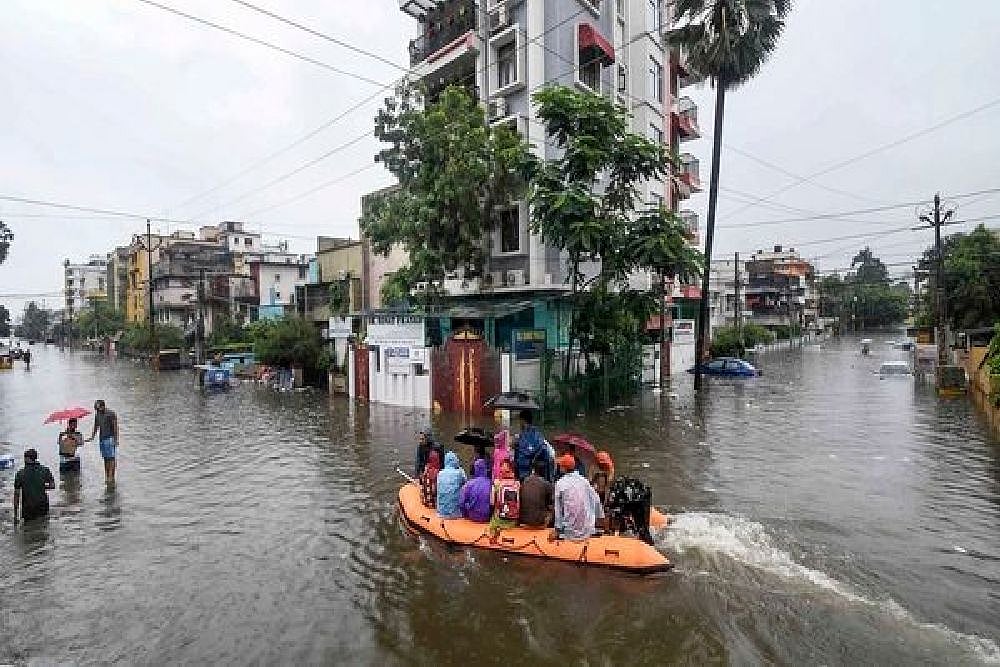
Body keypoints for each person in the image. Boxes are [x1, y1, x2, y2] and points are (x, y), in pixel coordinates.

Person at [550, 453, 604, 542]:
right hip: (587, 530)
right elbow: (597, 500)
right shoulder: (584, 481)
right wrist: (600, 518)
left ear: (563, 468)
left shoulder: (560, 484)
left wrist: (557, 529)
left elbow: (558, 510)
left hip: (569, 532)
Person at [13, 449, 55, 523]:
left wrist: (16, 515)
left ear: (27, 459)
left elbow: (17, 495)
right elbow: (52, 485)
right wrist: (42, 486)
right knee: (43, 526)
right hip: (42, 505)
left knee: (28, 530)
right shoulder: (45, 470)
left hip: (28, 508)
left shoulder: (20, 474)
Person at [85, 399, 119, 484]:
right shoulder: (98, 414)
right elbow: (96, 426)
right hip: (102, 438)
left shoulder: (111, 413)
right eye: (96, 408)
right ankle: (107, 475)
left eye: (98, 408)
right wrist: (92, 437)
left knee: (111, 458)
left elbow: (115, 427)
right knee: (105, 458)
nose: (97, 410)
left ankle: (111, 476)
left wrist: (116, 439)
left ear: (103, 406)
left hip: (110, 438)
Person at [514, 410, 550, 481]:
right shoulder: (535, 434)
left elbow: (537, 449)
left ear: (523, 420)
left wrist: (532, 460)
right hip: (525, 471)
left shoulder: (530, 435)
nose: (519, 423)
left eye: (520, 421)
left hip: (527, 472)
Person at [489, 458, 519, 541]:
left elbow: (491, 503)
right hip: (513, 522)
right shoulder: (518, 484)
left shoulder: (496, 484)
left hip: (498, 521)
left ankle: (494, 533)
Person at [518, 459, 554, 529]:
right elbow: (552, 502)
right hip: (539, 522)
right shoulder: (546, 484)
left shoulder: (524, 482)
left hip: (524, 520)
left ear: (533, 470)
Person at [458, 458, 492, 523]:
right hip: (486, 517)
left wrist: (464, 514)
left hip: (472, 516)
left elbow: (461, 502)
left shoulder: (468, 484)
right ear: (486, 469)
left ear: (475, 469)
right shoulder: (491, 484)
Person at [435, 451, 466, 519]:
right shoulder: (459, 473)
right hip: (456, 513)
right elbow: (466, 485)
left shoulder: (440, 474)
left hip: (441, 512)